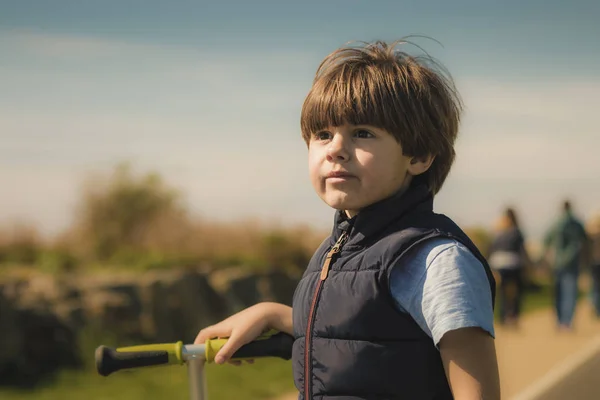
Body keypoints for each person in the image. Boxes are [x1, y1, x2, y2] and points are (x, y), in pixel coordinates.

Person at [195, 40, 500, 399]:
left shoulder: (436, 260)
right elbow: (358, 332)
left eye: (363, 133)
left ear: (418, 156)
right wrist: (274, 314)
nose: (336, 149)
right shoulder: (337, 251)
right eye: (323, 134)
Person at [541, 200, 589, 331]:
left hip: (557, 263)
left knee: (558, 293)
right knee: (570, 293)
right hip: (572, 264)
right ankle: (567, 322)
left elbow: (546, 241)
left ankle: (559, 321)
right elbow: (585, 241)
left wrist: (548, 258)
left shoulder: (556, 223)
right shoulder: (577, 224)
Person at [487, 207, 531, 327]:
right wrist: (528, 265)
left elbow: (492, 248)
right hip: (513, 264)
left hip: (498, 263)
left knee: (502, 292)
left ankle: (503, 317)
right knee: (516, 291)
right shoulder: (516, 231)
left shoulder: (498, 230)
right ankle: (514, 316)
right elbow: (522, 250)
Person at [586, 212, 600, 318]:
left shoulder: (592, 237)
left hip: (594, 264)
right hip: (595, 264)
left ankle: (596, 308)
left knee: (595, 287)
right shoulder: (592, 237)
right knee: (595, 287)